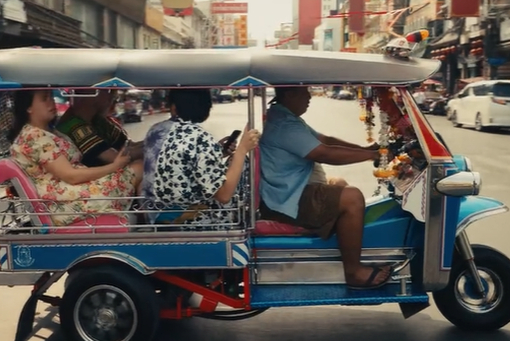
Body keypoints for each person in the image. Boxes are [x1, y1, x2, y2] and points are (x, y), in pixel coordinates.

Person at [259, 86, 393, 290]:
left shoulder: (285, 117)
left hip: (287, 194)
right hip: (286, 203)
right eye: (304, 91)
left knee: (339, 184)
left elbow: (326, 140)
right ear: (289, 94)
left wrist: (366, 150)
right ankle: (353, 272)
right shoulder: (284, 125)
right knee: (352, 197)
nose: (309, 96)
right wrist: (373, 156)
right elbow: (324, 153)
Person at [8, 89, 138, 226]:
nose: (51, 102)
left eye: (51, 97)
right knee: (138, 168)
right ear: (28, 107)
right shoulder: (34, 136)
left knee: (138, 167)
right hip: (69, 202)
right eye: (44, 99)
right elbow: (71, 175)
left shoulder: (49, 131)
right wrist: (114, 166)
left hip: (76, 193)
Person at [150, 89, 259, 228]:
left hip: (161, 212)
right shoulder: (200, 138)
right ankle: (244, 222)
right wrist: (242, 150)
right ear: (207, 108)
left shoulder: (163, 131)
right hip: (191, 221)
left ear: (174, 108)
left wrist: (217, 152)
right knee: (241, 163)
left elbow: (183, 163)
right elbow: (224, 196)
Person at [56, 89, 144, 184]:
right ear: (91, 96)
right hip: (95, 180)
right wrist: (151, 145)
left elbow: (126, 144)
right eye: (108, 91)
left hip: (108, 174)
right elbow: (113, 157)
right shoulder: (74, 126)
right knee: (140, 166)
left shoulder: (98, 121)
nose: (113, 98)